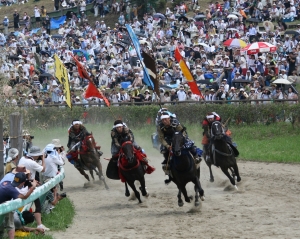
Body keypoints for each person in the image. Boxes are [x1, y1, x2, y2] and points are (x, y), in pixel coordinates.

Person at [157, 112, 199, 184]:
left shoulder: (176, 123)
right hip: (168, 140)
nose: (164, 121)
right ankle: (168, 166)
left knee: (189, 145)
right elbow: (161, 138)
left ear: (169, 118)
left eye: (166, 119)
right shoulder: (160, 127)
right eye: (163, 120)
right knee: (165, 151)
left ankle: (195, 156)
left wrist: (180, 141)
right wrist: (167, 146)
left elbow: (183, 133)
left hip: (179, 137)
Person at [18, 146, 49, 231]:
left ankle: (39, 224)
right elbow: (43, 169)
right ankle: (39, 225)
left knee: (35, 203)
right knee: (37, 204)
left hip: (22, 183)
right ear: (36, 155)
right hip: (28, 186)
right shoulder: (32, 162)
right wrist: (43, 158)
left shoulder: (22, 158)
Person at [0, 172, 37, 239]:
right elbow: (24, 196)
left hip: (2, 203)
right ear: (22, 183)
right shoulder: (11, 190)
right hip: (3, 205)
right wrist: (33, 187)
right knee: (10, 224)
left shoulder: (7, 182)